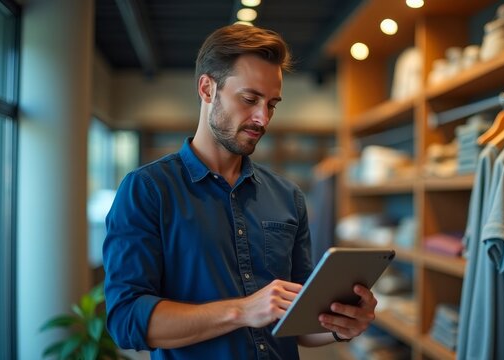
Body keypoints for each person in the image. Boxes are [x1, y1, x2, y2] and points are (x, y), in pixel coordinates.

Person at [102, 24, 378, 359]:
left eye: (272, 104)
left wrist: (341, 324)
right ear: (207, 89)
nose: (263, 118)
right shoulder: (148, 190)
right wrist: (242, 311)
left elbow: (302, 321)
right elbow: (127, 320)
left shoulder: (288, 197)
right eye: (250, 99)